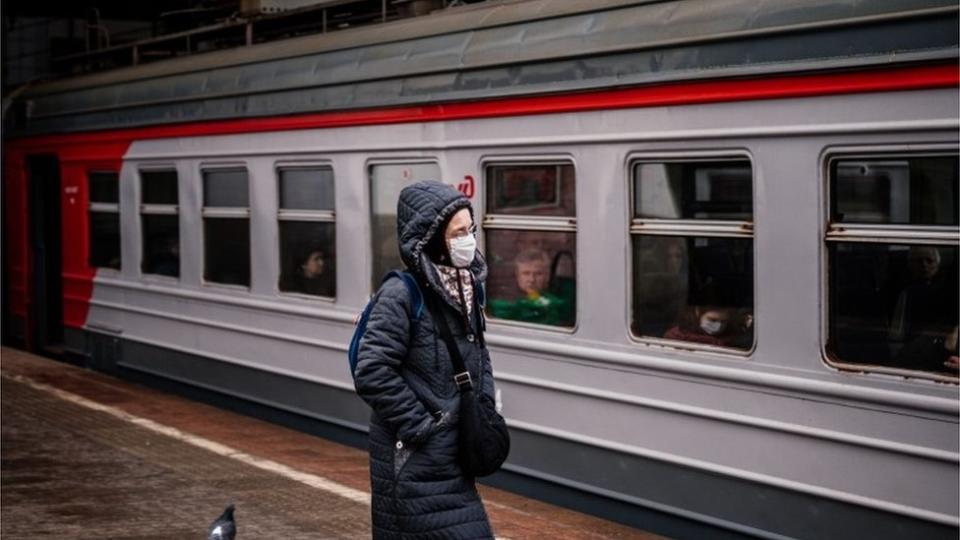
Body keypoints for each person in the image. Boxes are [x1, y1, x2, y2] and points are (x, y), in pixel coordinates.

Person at [354, 181, 496, 539]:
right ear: (432, 239)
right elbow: (371, 370)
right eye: (458, 232)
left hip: (454, 455)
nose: (469, 240)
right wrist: (422, 427)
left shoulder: (465, 287)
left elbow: (480, 355)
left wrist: (485, 410)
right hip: (414, 459)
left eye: (471, 230)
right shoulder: (401, 294)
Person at [664, 304, 753, 349]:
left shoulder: (734, 336)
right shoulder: (677, 336)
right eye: (713, 320)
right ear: (698, 313)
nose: (719, 326)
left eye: (723, 321)